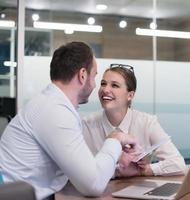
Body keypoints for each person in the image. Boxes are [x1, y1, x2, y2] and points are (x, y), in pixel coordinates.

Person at [0, 42, 137, 200]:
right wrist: (115, 139)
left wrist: (117, 168)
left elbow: (80, 170)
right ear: (83, 75)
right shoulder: (54, 111)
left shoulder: (52, 104)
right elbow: (93, 185)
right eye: (95, 77)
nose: (94, 85)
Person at [82, 64, 186, 177]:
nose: (105, 89)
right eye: (103, 84)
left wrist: (146, 170)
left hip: (138, 189)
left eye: (115, 85)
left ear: (130, 95)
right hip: (99, 193)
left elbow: (178, 163)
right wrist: (119, 171)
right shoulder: (87, 125)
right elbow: (81, 172)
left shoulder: (147, 123)